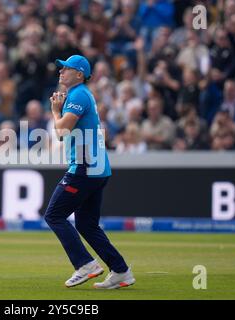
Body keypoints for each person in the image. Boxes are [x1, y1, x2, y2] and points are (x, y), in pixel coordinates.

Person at [44, 54, 135, 289]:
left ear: (80, 74)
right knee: (86, 225)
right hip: (97, 167)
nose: (61, 71)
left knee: (54, 215)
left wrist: (55, 110)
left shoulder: (79, 95)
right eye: (61, 68)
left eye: (66, 68)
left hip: (85, 167)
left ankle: (85, 265)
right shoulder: (79, 94)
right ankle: (121, 271)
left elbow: (62, 130)